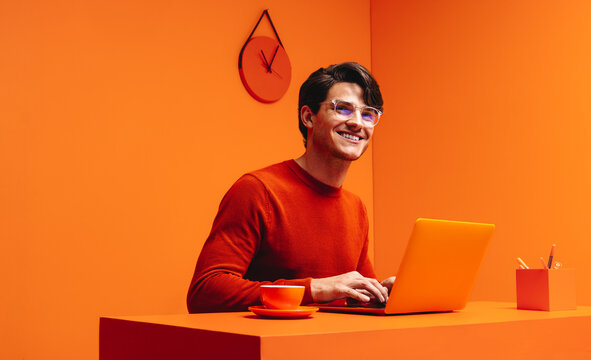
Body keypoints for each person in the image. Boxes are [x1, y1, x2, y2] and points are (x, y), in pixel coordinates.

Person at [187, 62, 395, 313]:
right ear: (308, 117)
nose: (357, 123)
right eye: (343, 109)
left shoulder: (356, 207)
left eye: (368, 114)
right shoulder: (257, 190)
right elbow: (205, 291)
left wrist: (381, 293)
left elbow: (353, 292)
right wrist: (314, 290)